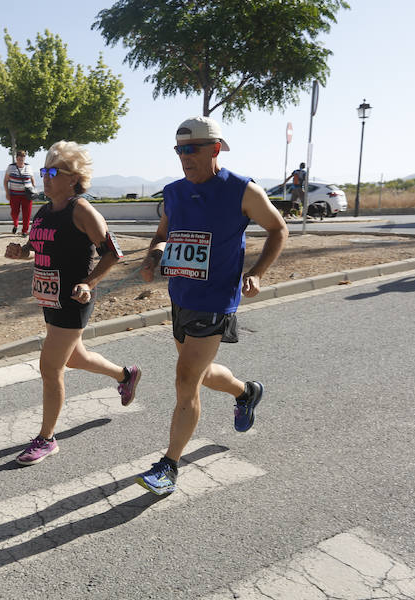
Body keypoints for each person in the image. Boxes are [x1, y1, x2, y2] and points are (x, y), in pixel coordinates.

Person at [134, 117, 287, 495]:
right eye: (179, 151)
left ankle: (168, 466)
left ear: (215, 148)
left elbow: (278, 228)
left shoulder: (241, 190)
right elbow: (161, 236)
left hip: (216, 300)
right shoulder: (173, 192)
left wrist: (257, 273)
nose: (184, 158)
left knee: (186, 380)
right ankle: (246, 392)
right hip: (181, 298)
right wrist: (152, 259)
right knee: (199, 373)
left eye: (192, 150)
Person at [3, 141, 141, 465]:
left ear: (73, 177)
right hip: (49, 298)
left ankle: (47, 438)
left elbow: (113, 252)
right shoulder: (45, 209)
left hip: (73, 300)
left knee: (50, 367)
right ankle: (125, 375)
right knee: (76, 358)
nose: (46, 178)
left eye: (54, 172)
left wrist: (89, 283)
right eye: (44, 171)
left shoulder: (82, 210)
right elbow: (35, 245)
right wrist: (20, 252)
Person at [4, 150, 36, 236]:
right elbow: (6, 180)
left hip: (27, 195)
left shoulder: (28, 167)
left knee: (27, 213)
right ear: (16, 158)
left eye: (22, 159)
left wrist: (34, 188)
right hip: (14, 194)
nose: (21, 161)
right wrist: (7, 192)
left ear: (24, 158)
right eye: (19, 159)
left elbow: (32, 178)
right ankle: (15, 224)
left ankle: (24, 231)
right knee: (14, 212)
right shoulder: (11, 167)